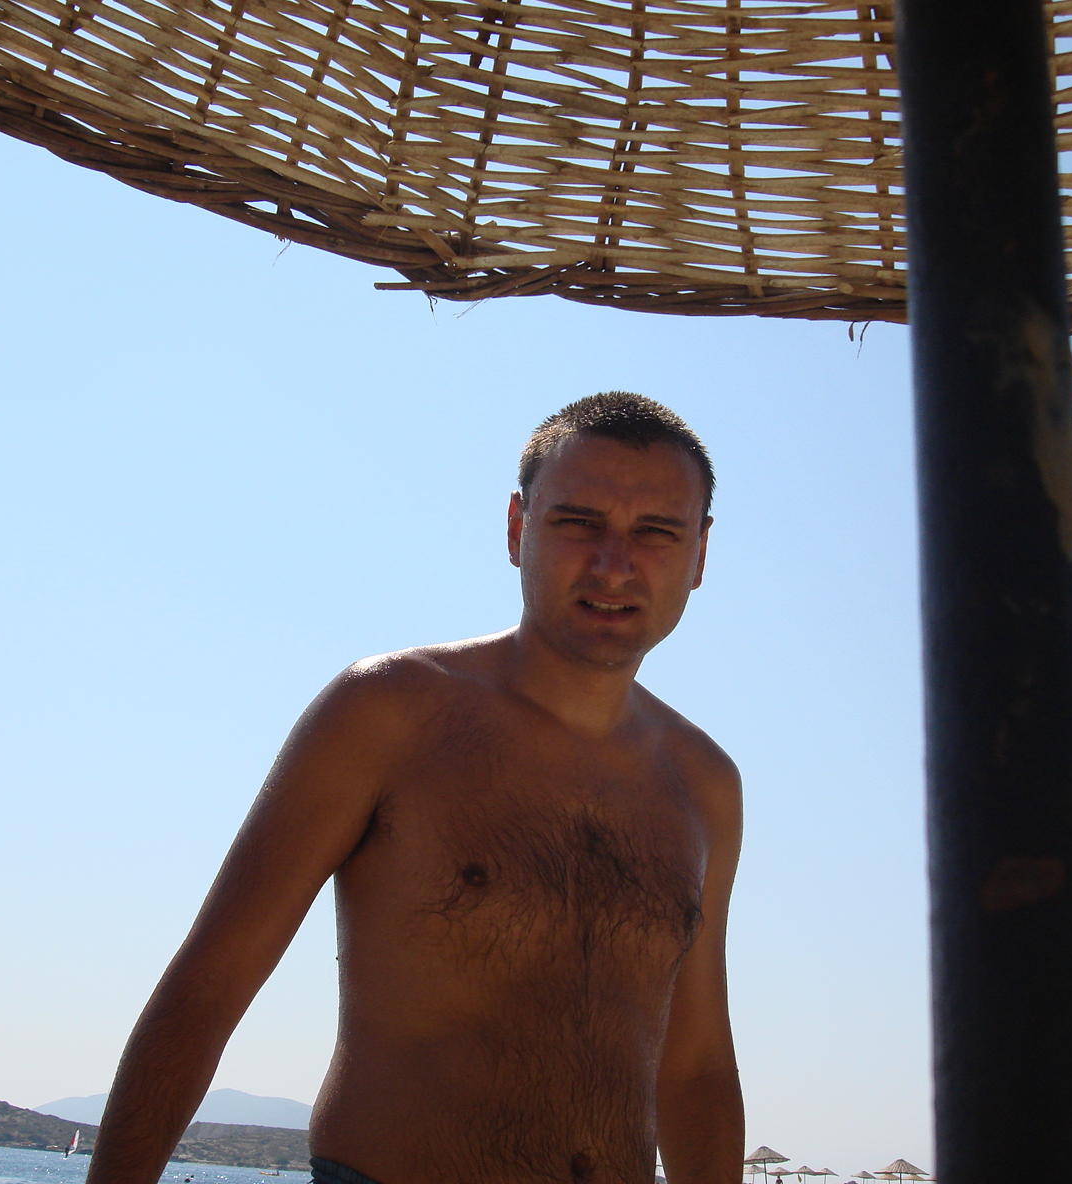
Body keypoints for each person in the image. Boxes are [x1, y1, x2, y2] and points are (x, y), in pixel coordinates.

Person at [87, 393, 743, 1184]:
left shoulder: (703, 786)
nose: (612, 565)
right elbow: (207, 989)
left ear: (699, 554)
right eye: (578, 523)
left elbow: (697, 1066)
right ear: (517, 529)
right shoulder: (390, 711)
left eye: (656, 533)